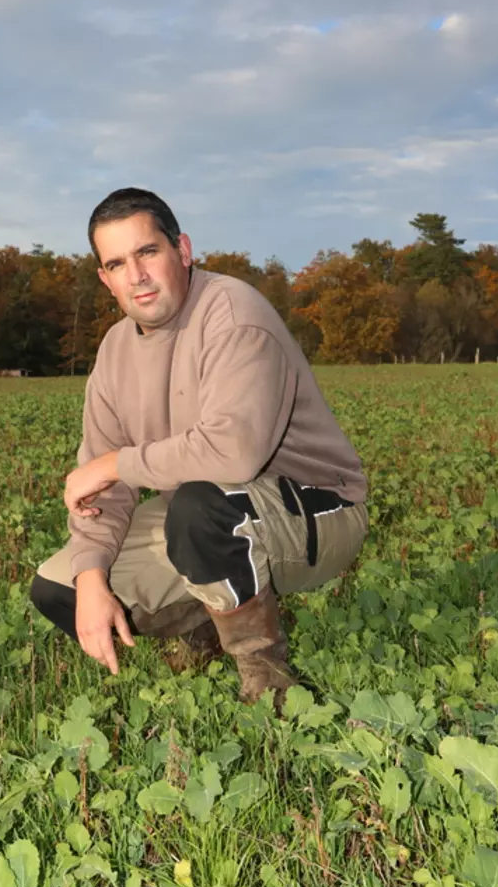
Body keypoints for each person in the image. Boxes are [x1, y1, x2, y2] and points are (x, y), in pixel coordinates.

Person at [30, 188, 368, 706]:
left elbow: (235, 454)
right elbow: (107, 494)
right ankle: (213, 617)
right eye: (116, 263)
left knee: (200, 508)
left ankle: (268, 681)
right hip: (211, 512)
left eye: (148, 252)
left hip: (318, 509)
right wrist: (93, 576)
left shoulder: (233, 314)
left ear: (182, 250)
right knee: (62, 587)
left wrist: (117, 463)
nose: (136, 275)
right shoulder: (114, 351)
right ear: (105, 278)